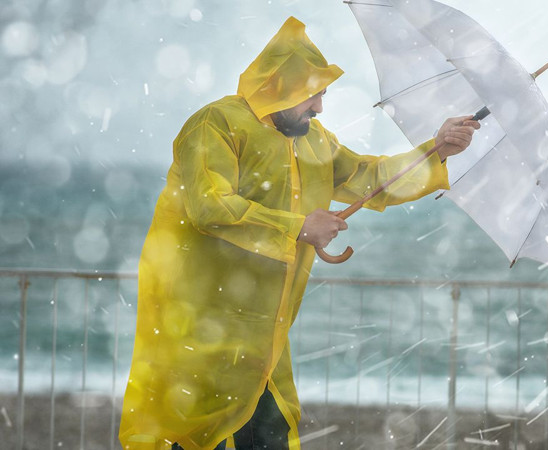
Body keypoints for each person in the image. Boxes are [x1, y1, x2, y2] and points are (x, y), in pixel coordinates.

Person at [118, 16, 479, 450]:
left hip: (262, 337)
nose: (319, 108)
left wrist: (436, 149)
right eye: (312, 95)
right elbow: (209, 206)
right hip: (201, 330)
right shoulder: (215, 124)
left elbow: (369, 176)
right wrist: (299, 226)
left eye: (322, 95)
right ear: (277, 88)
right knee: (190, 434)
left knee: (268, 432)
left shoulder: (312, 140)